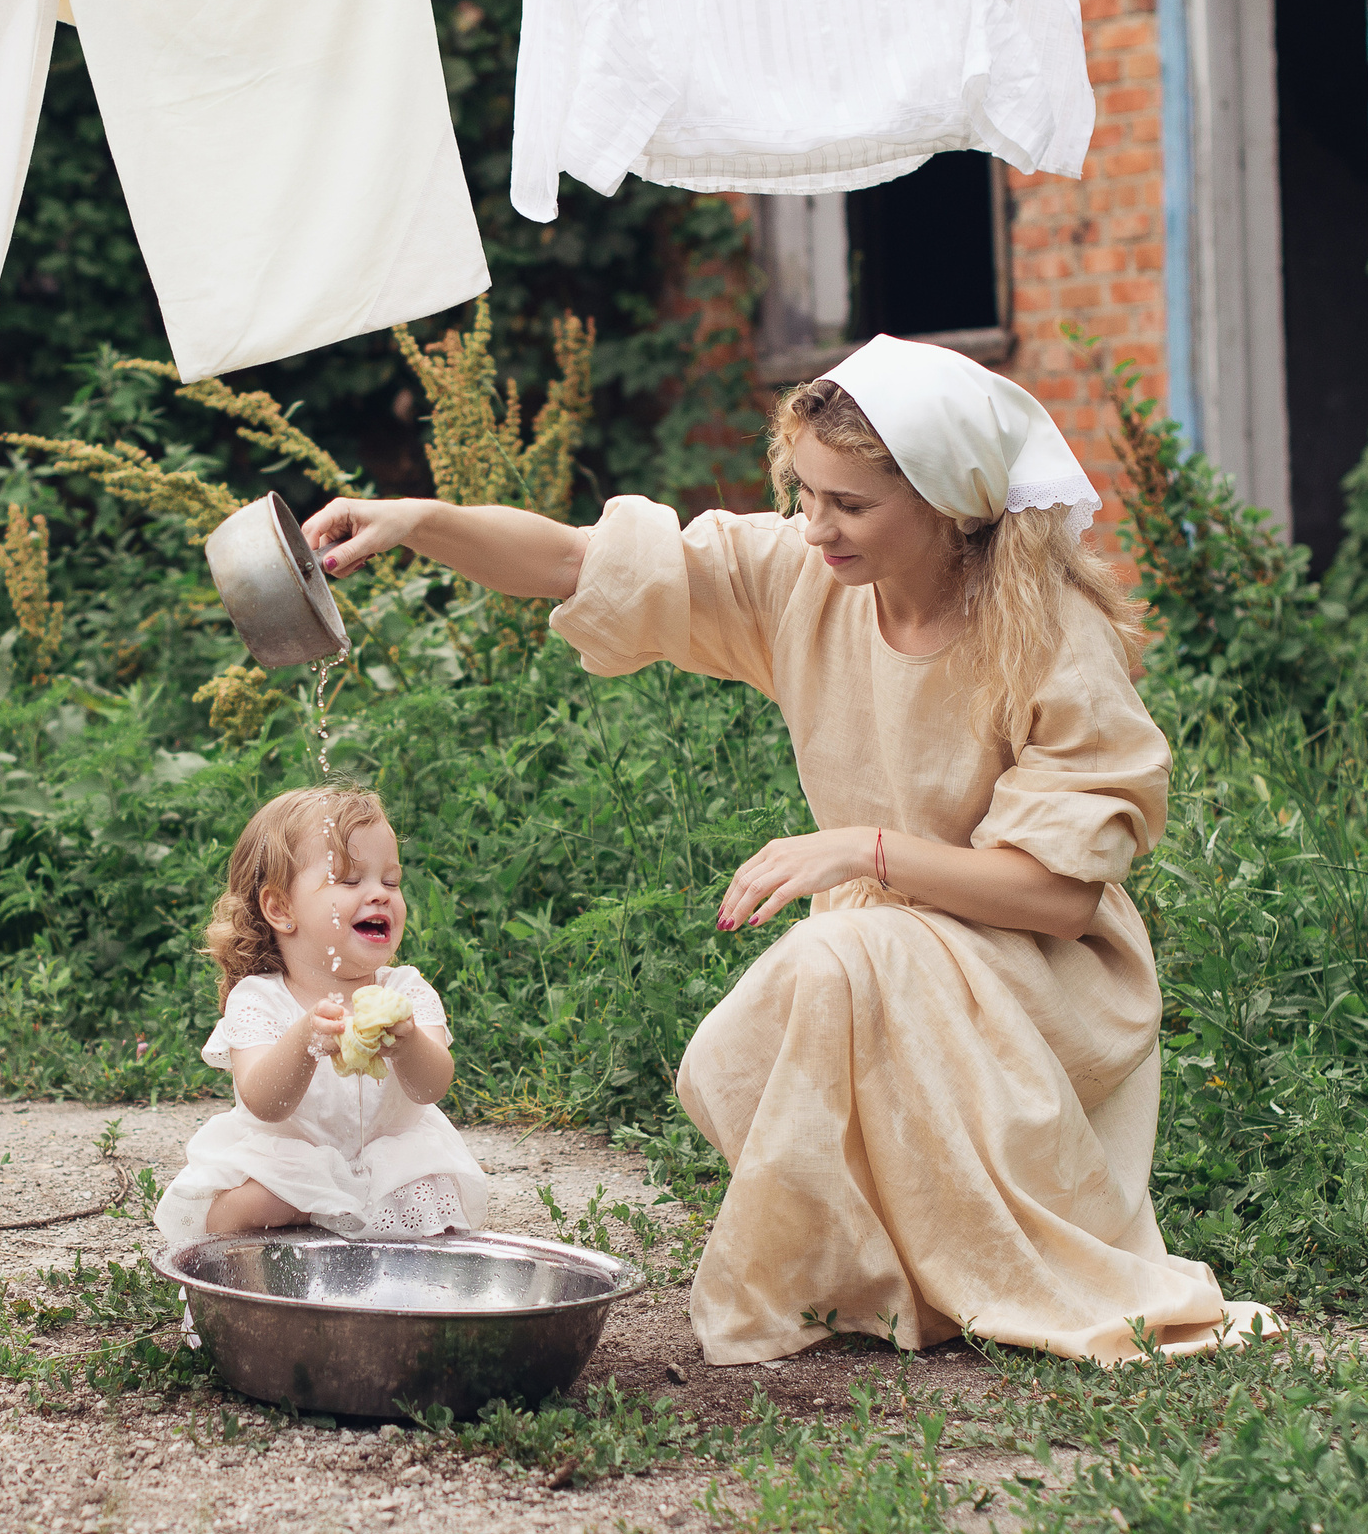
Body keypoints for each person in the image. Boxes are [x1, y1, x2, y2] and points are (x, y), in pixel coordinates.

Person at [303, 333, 1276, 1366]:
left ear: (949, 501)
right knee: (823, 973)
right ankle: (883, 1279)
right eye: (804, 493)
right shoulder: (807, 579)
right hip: (884, 955)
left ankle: (918, 1272)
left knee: (838, 954)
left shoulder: (1045, 636)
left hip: (1040, 977)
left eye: (848, 504)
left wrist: (860, 851)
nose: (814, 526)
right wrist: (415, 521)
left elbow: (1058, 900)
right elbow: (576, 559)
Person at [153, 783, 487, 1245]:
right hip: (293, 1165)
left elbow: (431, 1086)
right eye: (350, 881)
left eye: (391, 881)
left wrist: (408, 1044)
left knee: (433, 1197)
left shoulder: (404, 990)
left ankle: (395, 1276)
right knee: (239, 1210)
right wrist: (305, 1041)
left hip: (393, 1163)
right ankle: (275, 1258)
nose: (380, 895)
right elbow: (265, 1103)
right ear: (281, 908)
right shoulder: (257, 999)